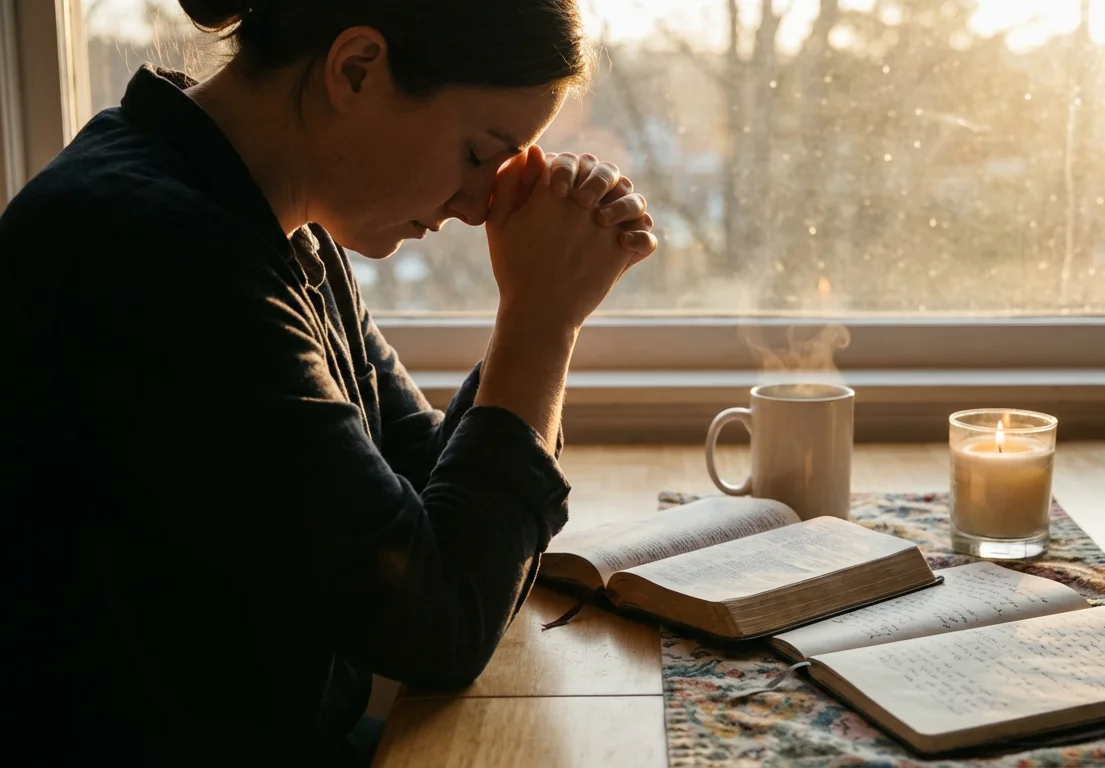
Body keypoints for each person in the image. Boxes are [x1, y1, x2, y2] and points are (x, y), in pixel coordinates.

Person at [0, 1, 657, 764]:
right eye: (480, 153)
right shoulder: (159, 258)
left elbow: (426, 485)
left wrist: (542, 317)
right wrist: (541, 324)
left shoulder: (271, 221)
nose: (482, 206)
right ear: (356, 69)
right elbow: (439, 616)